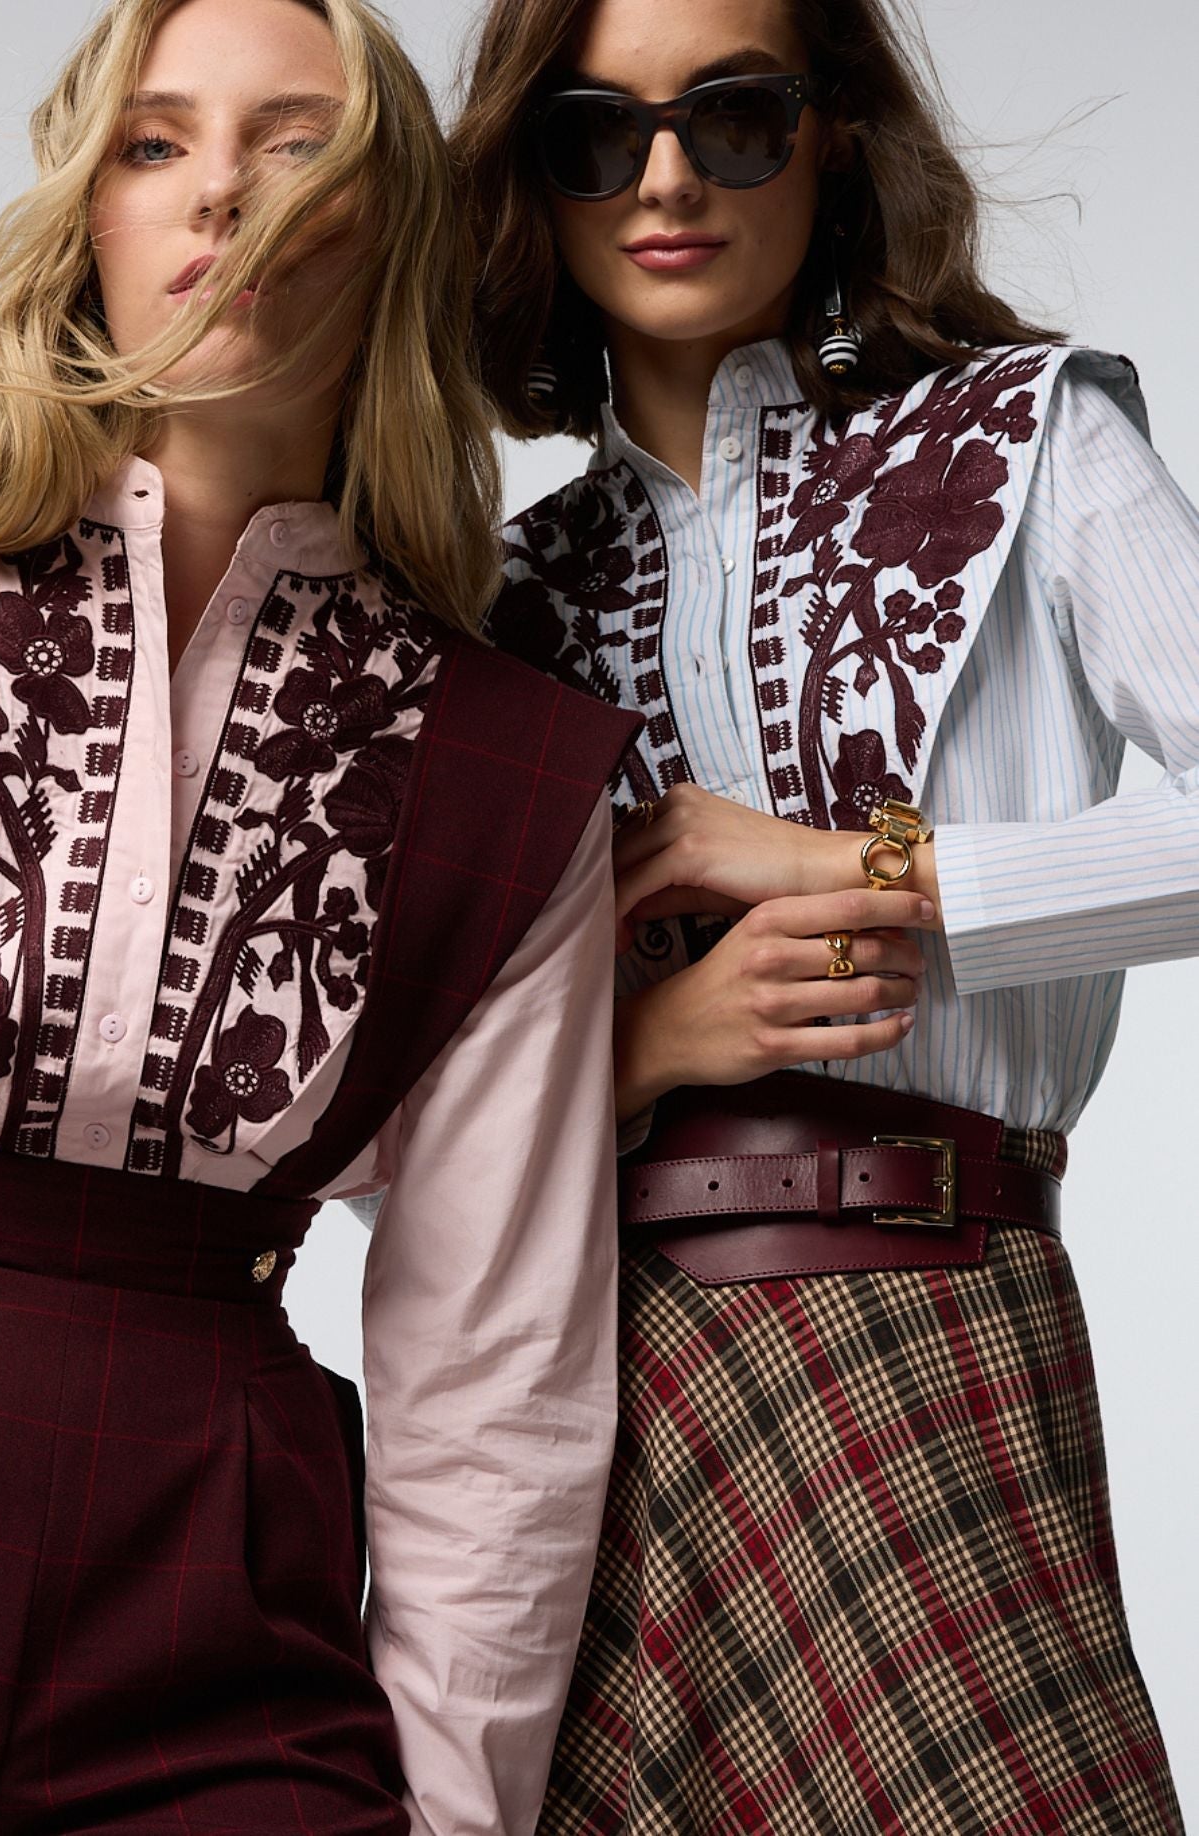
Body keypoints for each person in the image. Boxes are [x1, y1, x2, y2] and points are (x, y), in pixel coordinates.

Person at [0, 1, 639, 1830]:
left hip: (217, 1587)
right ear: (90, 216)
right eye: (155, 144)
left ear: (394, 232)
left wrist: (453, 1816)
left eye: (298, 145)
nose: (221, 190)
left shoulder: (512, 775)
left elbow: (497, 1371)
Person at [454, 0, 1189, 1827]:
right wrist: (639, 1049)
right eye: (591, 133)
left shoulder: (1026, 440)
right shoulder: (500, 604)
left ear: (834, 129)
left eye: (733, 116)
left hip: (930, 1323)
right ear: (528, 181)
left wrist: (863, 869)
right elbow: (391, 1149)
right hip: (596, 1395)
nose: (663, 181)